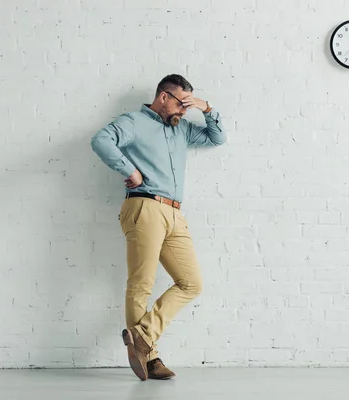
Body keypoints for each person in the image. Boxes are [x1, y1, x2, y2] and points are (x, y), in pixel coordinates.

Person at [90, 74, 226, 380]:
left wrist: (205, 108)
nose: (183, 111)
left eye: (188, 106)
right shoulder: (135, 122)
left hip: (175, 213)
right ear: (163, 97)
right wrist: (129, 170)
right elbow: (101, 140)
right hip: (144, 205)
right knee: (142, 284)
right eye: (181, 103)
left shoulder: (182, 130)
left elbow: (217, 138)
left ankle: (142, 336)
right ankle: (150, 359)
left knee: (191, 283)